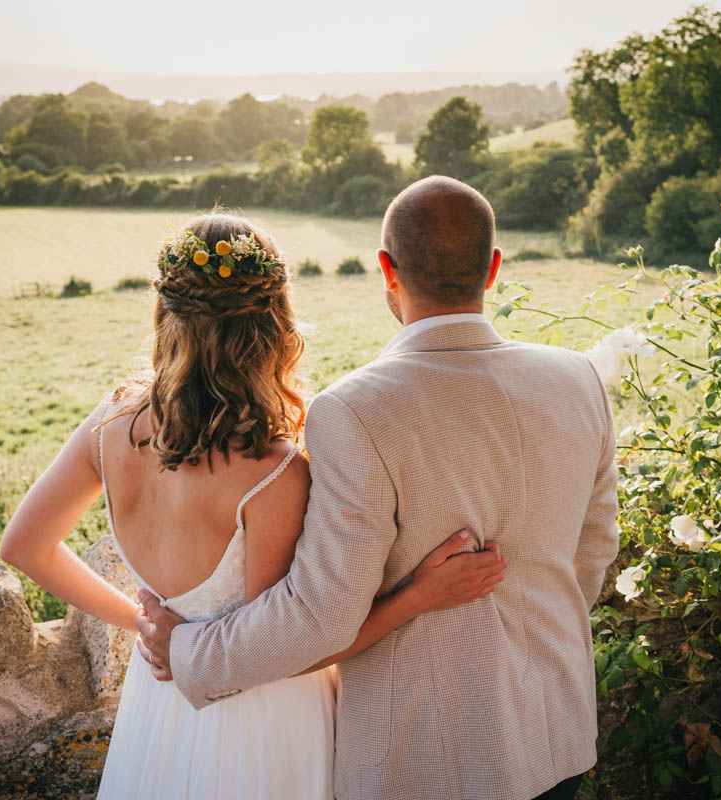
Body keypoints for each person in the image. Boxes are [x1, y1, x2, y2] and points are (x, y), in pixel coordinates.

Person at [138, 176, 620, 800]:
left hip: (426, 756)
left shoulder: (355, 410)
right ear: (493, 268)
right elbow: (593, 554)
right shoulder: (579, 379)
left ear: (387, 270)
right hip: (558, 732)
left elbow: (320, 615)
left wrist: (188, 651)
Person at [0, 211, 507, 799]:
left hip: (159, 700)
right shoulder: (275, 472)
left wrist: (145, 623)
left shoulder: (110, 423)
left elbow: (24, 546)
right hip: (266, 723)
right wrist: (420, 595)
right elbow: (291, 649)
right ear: (275, 322)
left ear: (165, 311)